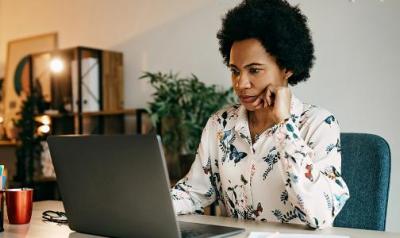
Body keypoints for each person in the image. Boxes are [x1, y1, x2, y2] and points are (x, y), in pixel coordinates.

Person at [170, 0, 349, 229]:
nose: (241, 83)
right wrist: (144, 204)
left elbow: (320, 214)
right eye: (235, 71)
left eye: (254, 70)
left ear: (287, 68)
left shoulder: (319, 124)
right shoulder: (220, 124)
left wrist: (285, 124)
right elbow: (194, 192)